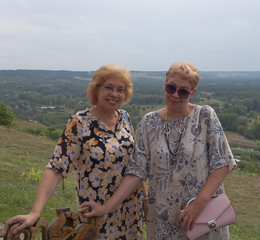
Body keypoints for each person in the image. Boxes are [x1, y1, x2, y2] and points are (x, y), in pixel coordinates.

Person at [80, 62, 236, 239]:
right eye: (171, 88)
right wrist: (106, 207)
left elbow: (222, 163)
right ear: (164, 85)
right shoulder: (149, 123)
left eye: (183, 91)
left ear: (192, 92)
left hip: (202, 218)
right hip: (163, 223)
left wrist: (198, 205)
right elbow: (136, 172)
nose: (175, 95)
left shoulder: (205, 116)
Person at [5, 64, 148, 239]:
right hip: (97, 215)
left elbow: (134, 164)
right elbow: (56, 167)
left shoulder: (125, 118)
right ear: (96, 89)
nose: (115, 94)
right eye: (109, 87)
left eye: (121, 89)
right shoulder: (79, 123)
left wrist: (145, 198)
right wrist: (35, 212)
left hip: (131, 212)